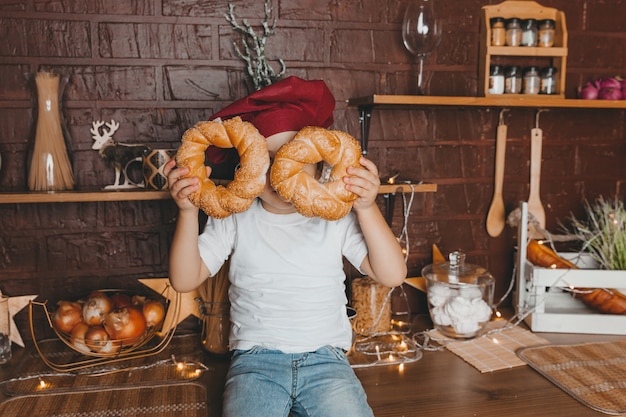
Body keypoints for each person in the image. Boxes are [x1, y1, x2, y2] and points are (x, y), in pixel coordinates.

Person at [164, 76, 407, 417]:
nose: (279, 174)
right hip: (255, 363)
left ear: (319, 167)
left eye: (292, 161)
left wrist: (366, 207)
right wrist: (188, 212)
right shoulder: (235, 215)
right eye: (268, 160)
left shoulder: (332, 216)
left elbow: (393, 273)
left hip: (328, 361)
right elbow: (184, 279)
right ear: (245, 168)